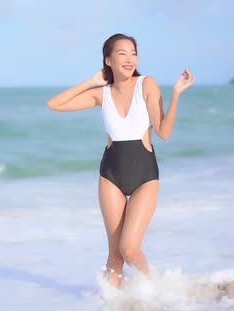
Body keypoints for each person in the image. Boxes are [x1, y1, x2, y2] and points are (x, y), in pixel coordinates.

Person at [47, 33, 195, 288]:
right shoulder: (101, 94)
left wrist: (177, 94)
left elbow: (164, 132)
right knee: (115, 255)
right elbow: (55, 104)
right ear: (109, 60)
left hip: (145, 176)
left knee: (129, 247)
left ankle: (161, 290)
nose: (130, 59)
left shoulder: (147, 84)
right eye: (122, 53)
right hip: (110, 176)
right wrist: (92, 81)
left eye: (133, 53)